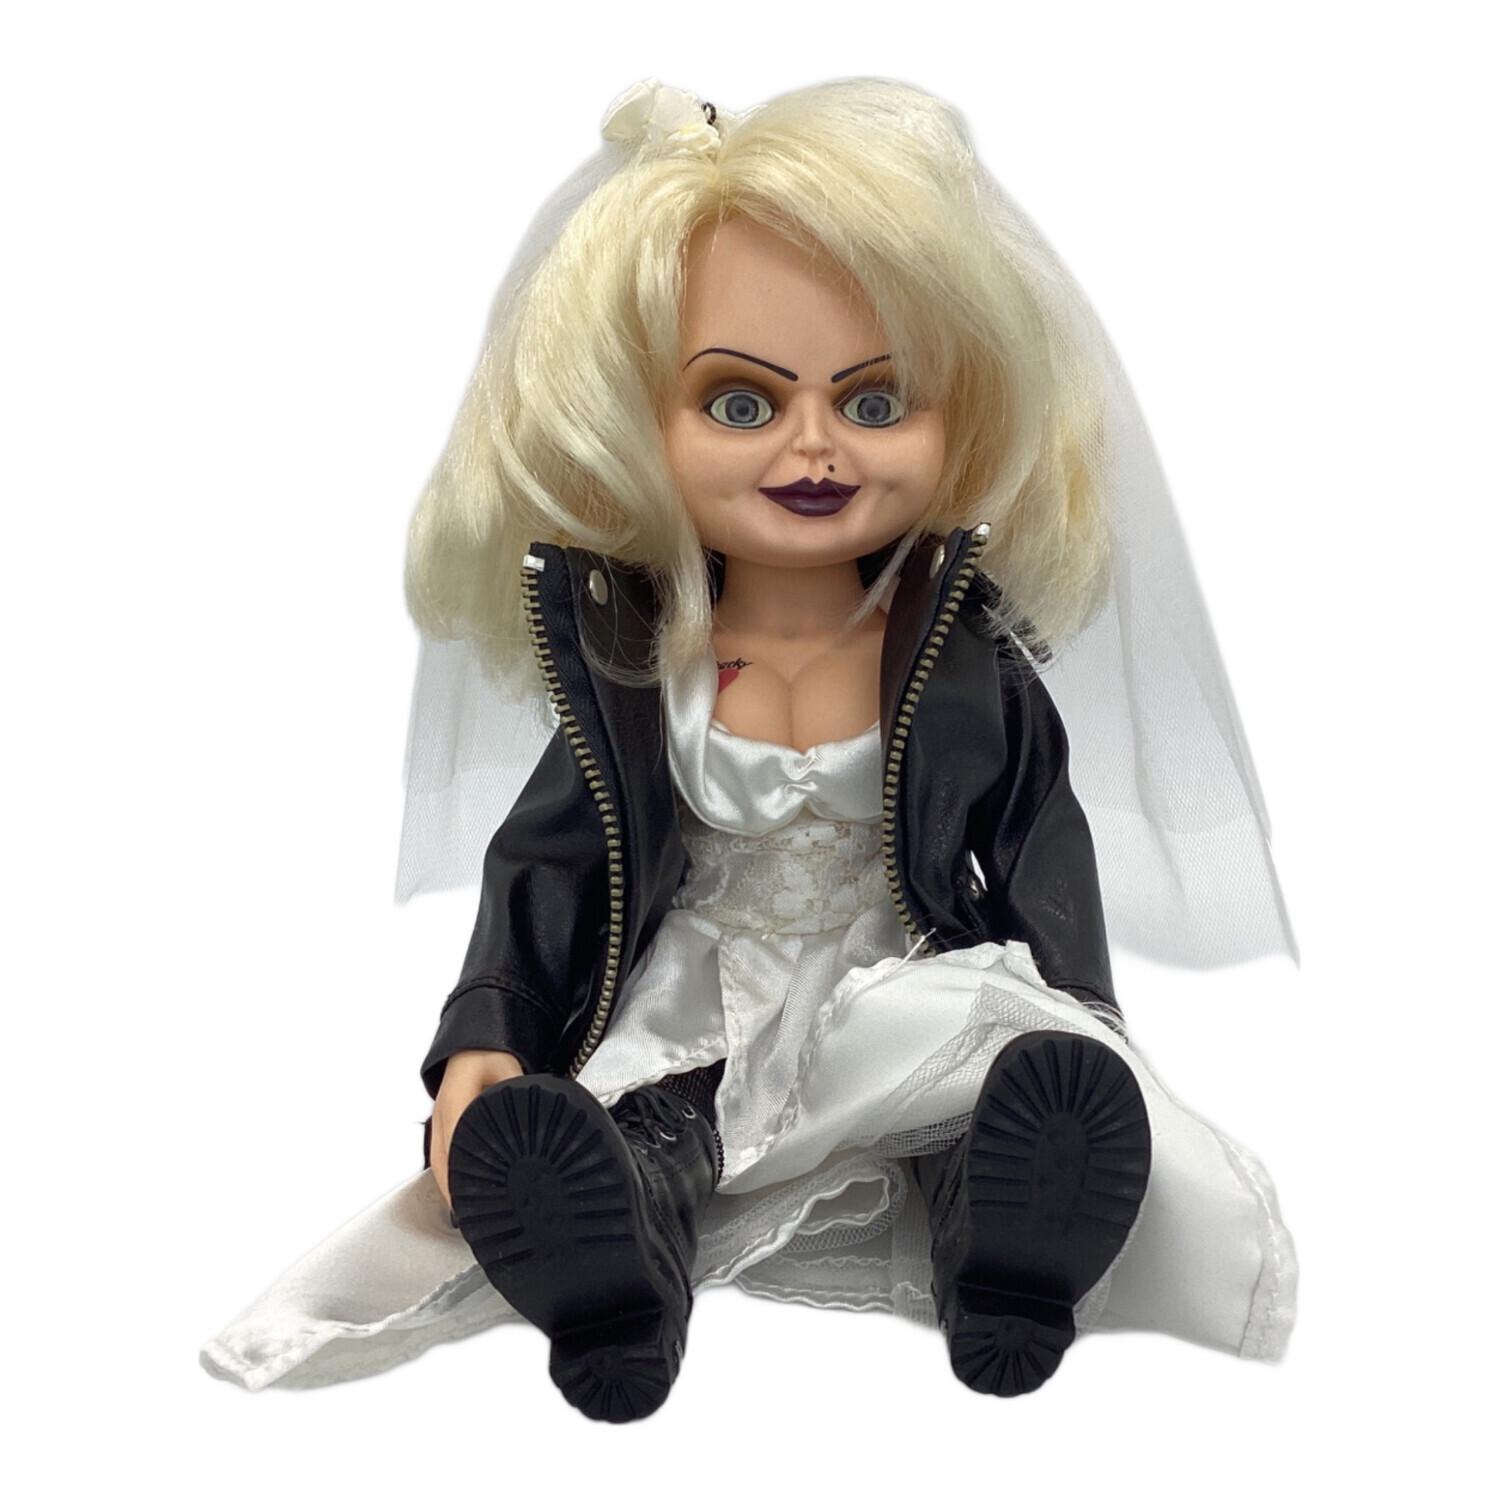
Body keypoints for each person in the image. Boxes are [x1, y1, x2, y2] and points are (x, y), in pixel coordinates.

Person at [201, 78, 1298, 1416]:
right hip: (696, 999)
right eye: (740, 405)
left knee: (989, 1083)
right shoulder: (639, 668)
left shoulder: (962, 663)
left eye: (877, 403)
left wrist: (1085, 1015)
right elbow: (546, 866)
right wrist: (487, 1035)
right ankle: (613, 1279)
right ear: (630, 421)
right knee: (647, 1126)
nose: (816, 448)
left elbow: (1037, 846)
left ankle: (1010, 1254)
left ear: (967, 411)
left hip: (906, 976)